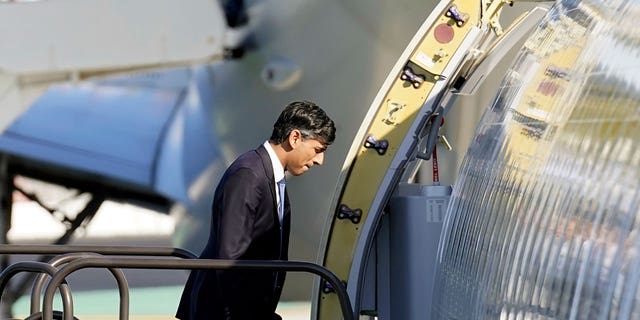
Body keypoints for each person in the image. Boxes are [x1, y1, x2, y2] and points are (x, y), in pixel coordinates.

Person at [176, 100, 336, 320]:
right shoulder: (249, 175)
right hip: (222, 312)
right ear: (295, 138)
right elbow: (230, 256)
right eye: (318, 150)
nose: (320, 160)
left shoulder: (269, 175)